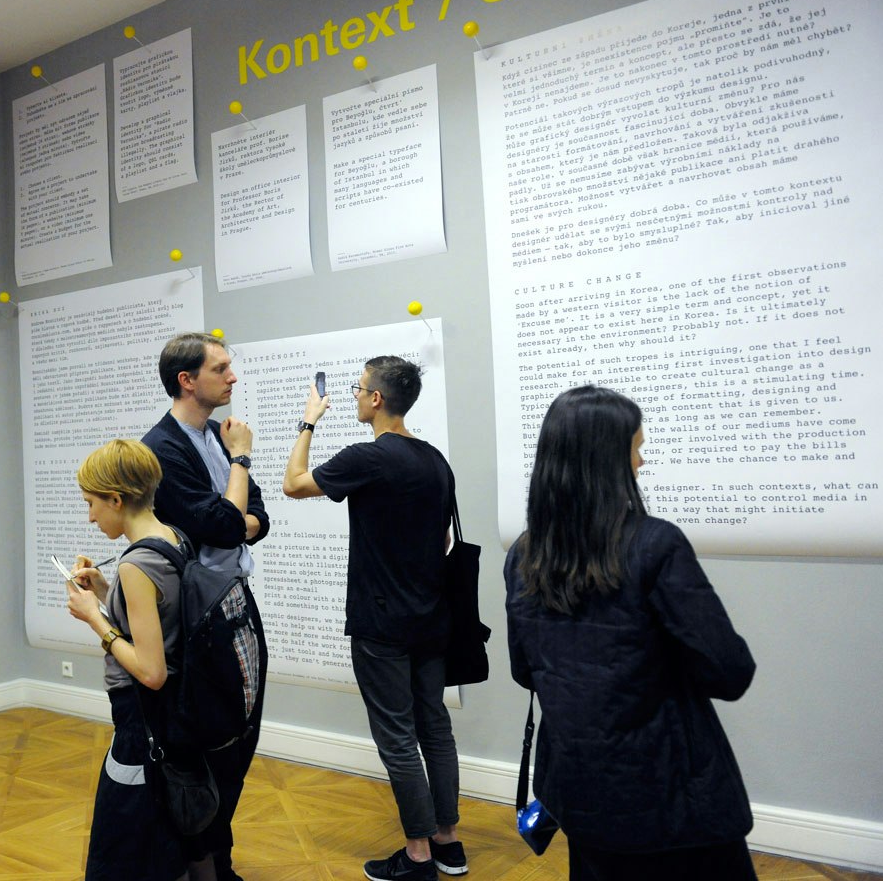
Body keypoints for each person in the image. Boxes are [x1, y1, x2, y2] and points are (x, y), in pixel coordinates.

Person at [504, 386, 757, 881]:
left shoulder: (524, 555)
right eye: (636, 449)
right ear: (608, 461)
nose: (641, 462)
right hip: (670, 790)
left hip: (581, 788)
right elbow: (730, 672)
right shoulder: (655, 544)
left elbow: (525, 671)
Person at [283, 356, 464, 881]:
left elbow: (293, 483)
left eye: (359, 389)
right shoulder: (435, 460)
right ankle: (448, 843)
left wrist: (309, 420)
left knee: (397, 737)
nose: (356, 396)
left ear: (377, 399)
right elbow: (443, 540)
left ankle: (418, 855)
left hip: (381, 624)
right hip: (432, 618)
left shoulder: (369, 456)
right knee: (435, 728)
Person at [141, 332, 268, 881]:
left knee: (242, 732)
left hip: (235, 597)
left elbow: (257, 516)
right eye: (220, 369)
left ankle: (221, 860)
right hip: (197, 615)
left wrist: (237, 521)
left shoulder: (218, 433)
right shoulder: (162, 449)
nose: (232, 377)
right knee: (210, 742)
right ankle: (206, 866)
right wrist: (240, 463)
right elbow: (221, 524)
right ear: (186, 380)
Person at [66, 439, 208, 881]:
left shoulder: (136, 563)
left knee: (121, 844)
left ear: (115, 499)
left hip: (142, 718)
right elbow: (157, 621)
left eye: (91, 503)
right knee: (162, 834)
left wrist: (95, 619)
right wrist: (105, 591)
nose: (90, 517)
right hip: (173, 716)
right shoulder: (172, 538)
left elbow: (150, 670)